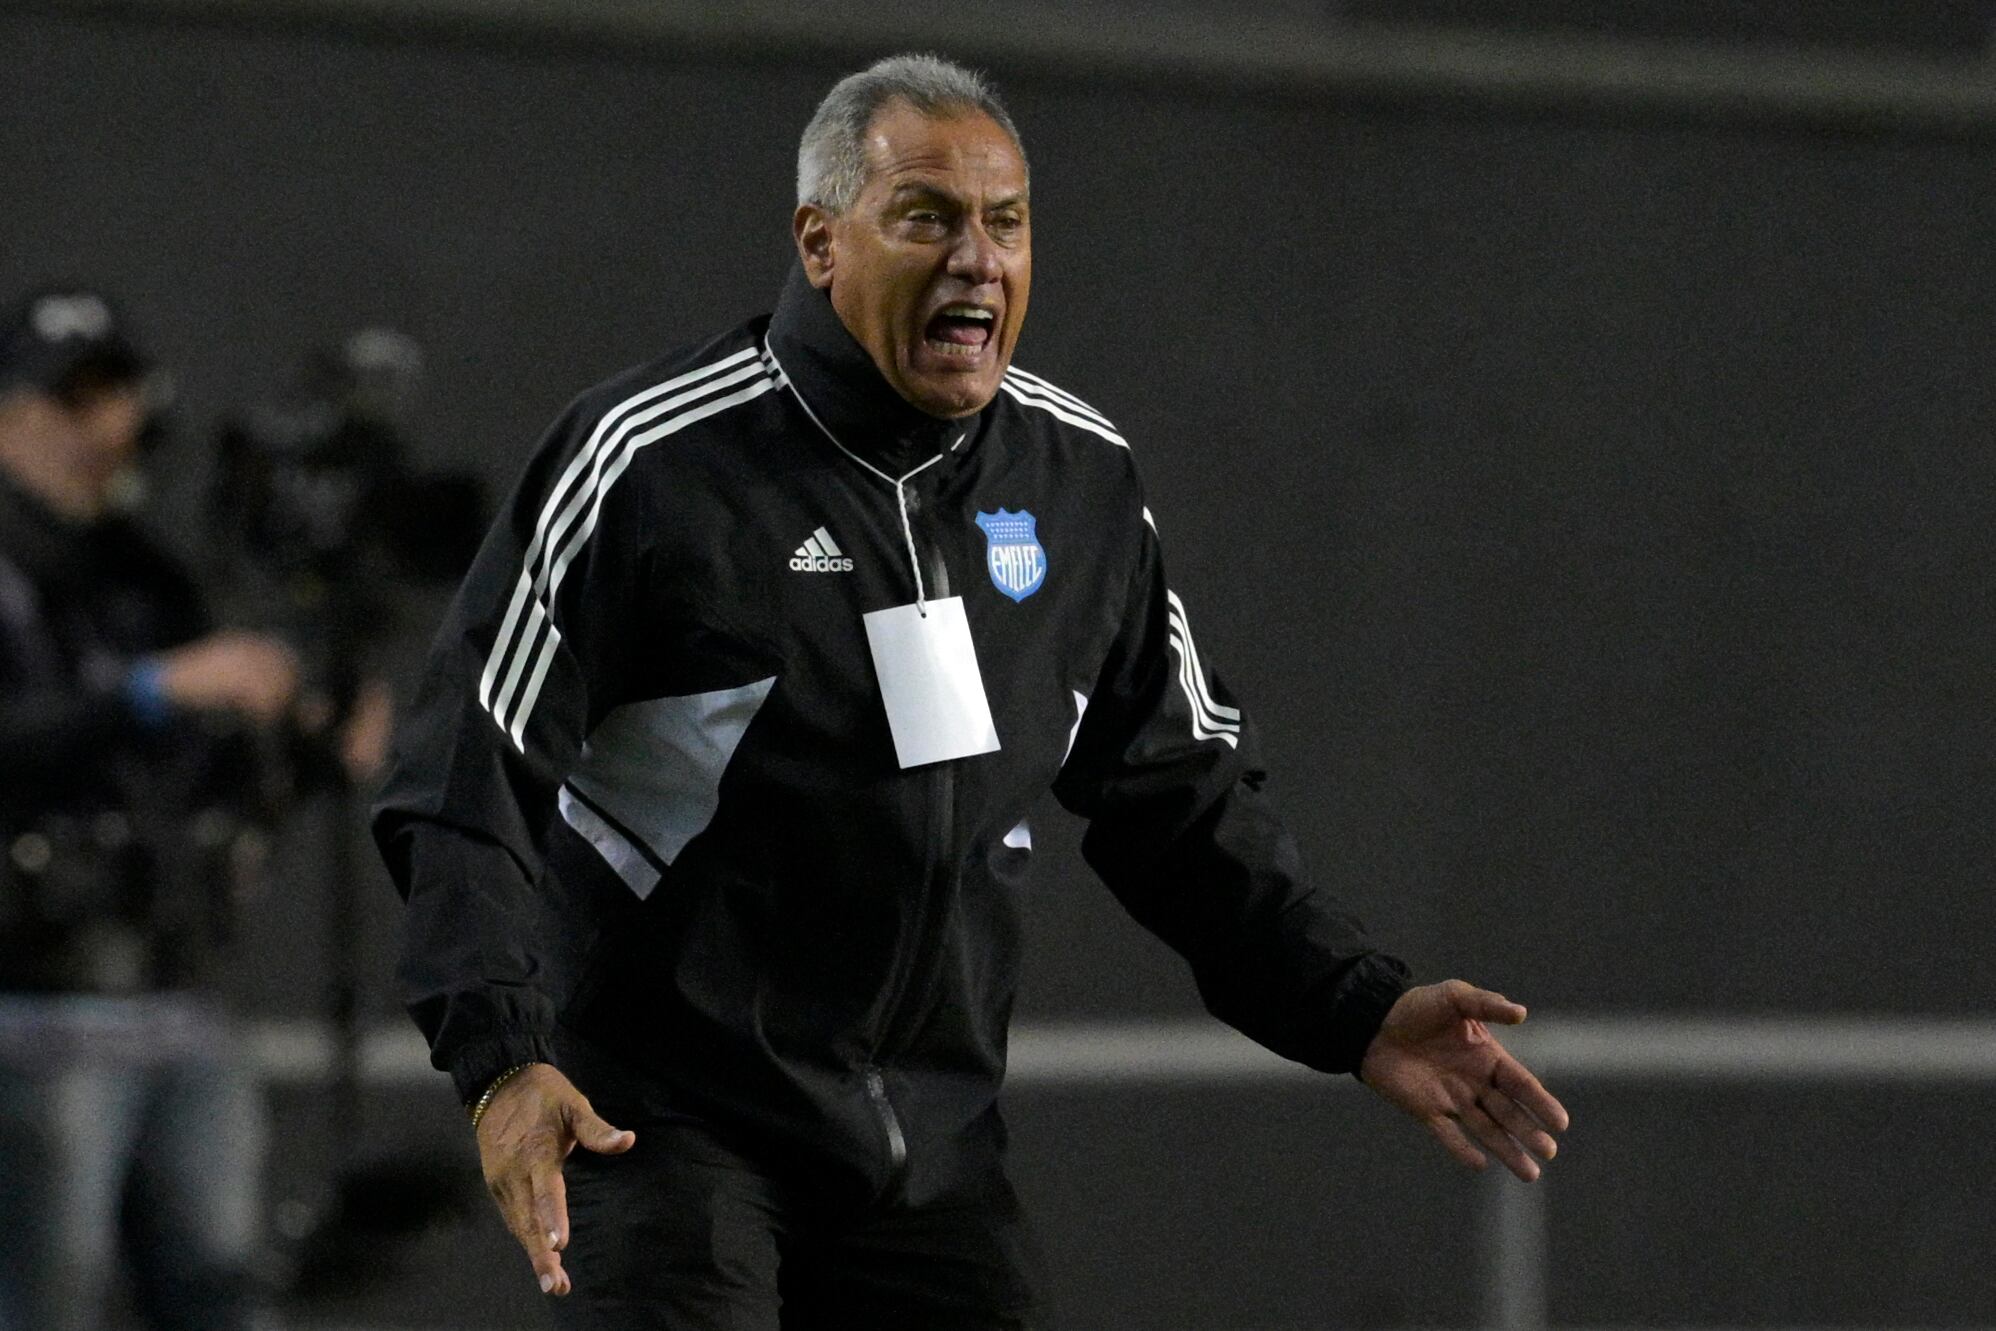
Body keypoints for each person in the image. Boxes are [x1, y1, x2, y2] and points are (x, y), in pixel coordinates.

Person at [374, 53, 1570, 1329]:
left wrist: (1357, 1003)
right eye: (927, 217)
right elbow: (466, 775)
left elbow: (1182, 805)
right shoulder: (655, 466)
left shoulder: (1077, 480)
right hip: (662, 1123)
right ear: (819, 241)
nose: (977, 260)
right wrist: (504, 1061)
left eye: (1006, 223)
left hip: (926, 1143)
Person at [0, 289, 304, 1329]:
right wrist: (145, 691)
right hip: (31, 1005)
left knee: (222, 1295)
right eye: (73, 398)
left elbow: (198, 775)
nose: (107, 425)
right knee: (43, 1297)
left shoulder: (143, 573)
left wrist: (300, 737)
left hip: (177, 990)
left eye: (119, 393)